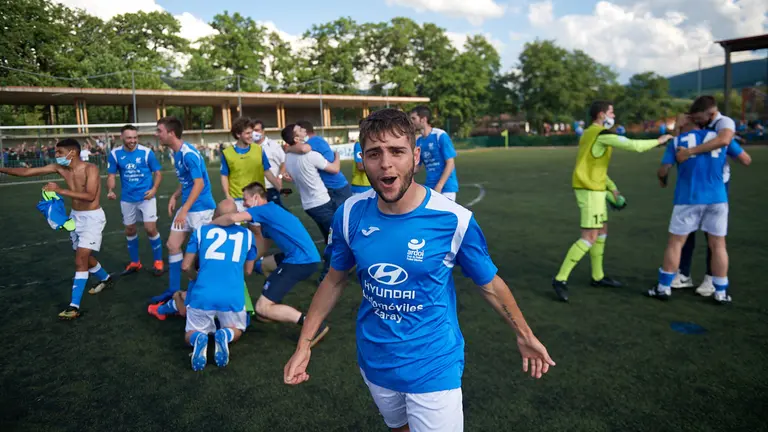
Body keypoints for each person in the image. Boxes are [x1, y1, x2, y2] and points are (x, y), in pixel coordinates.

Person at [283, 109, 555, 432]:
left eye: (396, 152)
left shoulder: (453, 219)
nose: (386, 163)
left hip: (433, 364)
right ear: (362, 160)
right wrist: (303, 345)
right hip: (375, 360)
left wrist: (525, 334)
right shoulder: (349, 214)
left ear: (415, 157)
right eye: (374, 153)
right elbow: (334, 280)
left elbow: (490, 284)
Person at [551, 100, 673, 302]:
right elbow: (634, 146)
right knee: (589, 236)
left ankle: (597, 276)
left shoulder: (589, 133)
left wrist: (612, 188)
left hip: (595, 189)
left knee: (602, 231)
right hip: (589, 191)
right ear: (601, 114)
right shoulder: (601, 134)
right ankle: (560, 279)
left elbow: (593, 166)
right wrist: (659, 140)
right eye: (611, 112)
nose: (613, 116)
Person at [0, 138, 113, 319]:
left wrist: (59, 190)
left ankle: (73, 307)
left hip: (93, 218)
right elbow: (26, 172)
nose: (56, 155)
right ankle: (106, 278)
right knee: (83, 255)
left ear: (72, 152)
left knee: (80, 258)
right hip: (75, 217)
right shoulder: (60, 168)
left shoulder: (90, 169)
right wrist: (1, 168)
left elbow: (90, 196)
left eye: (59, 152)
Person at [210, 182, 330, 345]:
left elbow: (232, 218)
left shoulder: (264, 210)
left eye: (245, 199)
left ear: (256, 197)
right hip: (299, 256)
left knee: (261, 308)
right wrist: (248, 262)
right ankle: (273, 304)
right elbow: (263, 246)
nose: (244, 204)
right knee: (264, 265)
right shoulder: (268, 214)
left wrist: (208, 225)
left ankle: (313, 326)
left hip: (301, 261)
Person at [649, 116, 734, 304]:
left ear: (687, 122)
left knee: (676, 243)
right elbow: (744, 158)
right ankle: (720, 292)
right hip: (717, 197)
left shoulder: (677, 141)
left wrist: (663, 181)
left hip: (688, 198)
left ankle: (663, 288)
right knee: (718, 245)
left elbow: (663, 170)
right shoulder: (718, 136)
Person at [668, 115, 752, 295]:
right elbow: (745, 159)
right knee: (705, 236)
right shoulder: (713, 135)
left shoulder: (718, 133)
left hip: (708, 187)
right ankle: (689, 274)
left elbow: (743, 157)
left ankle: (709, 277)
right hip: (714, 188)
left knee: (706, 237)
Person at [181, 199, 257, 371]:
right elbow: (248, 271)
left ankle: (197, 338)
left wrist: (195, 278)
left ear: (215, 215)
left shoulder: (201, 231)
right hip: (232, 296)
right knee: (238, 328)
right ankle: (226, 334)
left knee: (190, 333)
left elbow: (185, 266)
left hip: (203, 295)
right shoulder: (248, 235)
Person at [152, 116, 217, 304]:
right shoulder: (177, 152)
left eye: (160, 131)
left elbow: (199, 183)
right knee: (173, 245)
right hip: (189, 207)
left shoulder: (188, 154)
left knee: (203, 254)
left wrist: (184, 210)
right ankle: (173, 292)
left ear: (171, 133)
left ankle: (205, 291)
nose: (157, 135)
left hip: (201, 210)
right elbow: (187, 181)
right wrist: (175, 195)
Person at [107, 125, 164, 276]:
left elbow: (158, 173)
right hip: (127, 199)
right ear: (122, 138)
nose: (132, 141)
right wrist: (110, 190)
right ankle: (135, 262)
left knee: (150, 229)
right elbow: (111, 175)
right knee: (130, 230)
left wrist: (154, 189)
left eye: (135, 137)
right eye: (129, 138)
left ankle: (158, 262)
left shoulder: (146, 152)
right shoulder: (115, 154)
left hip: (146, 198)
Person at [221, 117, 280, 212]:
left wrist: (280, 188)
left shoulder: (259, 150)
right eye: (247, 133)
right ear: (238, 134)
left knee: (261, 223)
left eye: (251, 132)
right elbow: (224, 176)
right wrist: (227, 195)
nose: (251, 136)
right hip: (238, 200)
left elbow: (267, 172)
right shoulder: (227, 153)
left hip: (258, 198)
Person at [288, 120, 352, 209]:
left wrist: (288, 148)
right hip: (335, 186)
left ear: (304, 131)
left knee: (342, 215)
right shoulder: (317, 140)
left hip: (335, 187)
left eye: (298, 131)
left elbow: (303, 149)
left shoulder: (313, 142)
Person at [409, 105, 459, 201]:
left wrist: (439, 185)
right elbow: (417, 167)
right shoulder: (418, 141)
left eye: (413, 118)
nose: (411, 121)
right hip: (430, 187)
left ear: (423, 119)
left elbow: (450, 163)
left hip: (446, 187)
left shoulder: (440, 135)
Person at [253, 119, 289, 207]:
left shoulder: (273, 145)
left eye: (257, 130)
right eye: (252, 131)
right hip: (254, 188)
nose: (254, 133)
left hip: (271, 187)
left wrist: (279, 177)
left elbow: (284, 162)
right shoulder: (249, 146)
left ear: (263, 131)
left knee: (276, 210)